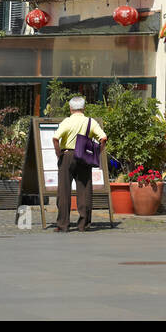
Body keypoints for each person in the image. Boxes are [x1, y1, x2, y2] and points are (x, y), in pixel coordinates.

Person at [51, 96, 106, 232]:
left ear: (70, 108)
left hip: (67, 155)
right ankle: (83, 224)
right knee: (85, 190)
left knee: (64, 191)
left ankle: (63, 224)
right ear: (84, 108)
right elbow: (103, 138)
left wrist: (59, 154)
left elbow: (55, 138)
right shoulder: (90, 122)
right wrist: (97, 152)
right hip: (84, 156)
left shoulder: (67, 122)